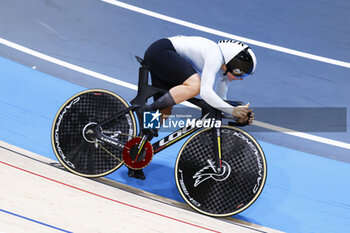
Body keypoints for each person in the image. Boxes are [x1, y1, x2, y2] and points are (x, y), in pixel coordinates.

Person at [128, 35, 257, 180]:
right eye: (241, 72)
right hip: (162, 51)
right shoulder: (214, 55)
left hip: (163, 56)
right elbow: (206, 92)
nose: (240, 78)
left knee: (164, 111)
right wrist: (233, 110)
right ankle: (149, 109)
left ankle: (135, 156)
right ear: (233, 62)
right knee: (195, 85)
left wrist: (237, 116)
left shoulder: (223, 75)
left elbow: (220, 104)